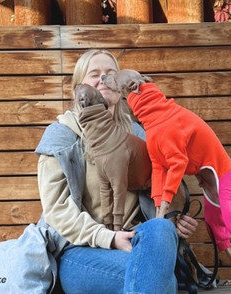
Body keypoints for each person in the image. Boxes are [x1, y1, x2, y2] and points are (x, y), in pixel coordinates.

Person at [34, 49, 199, 294]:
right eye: (94, 74)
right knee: (162, 280)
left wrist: (175, 219)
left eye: (111, 74)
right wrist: (109, 238)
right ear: (78, 87)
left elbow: (162, 188)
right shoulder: (62, 135)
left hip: (136, 240)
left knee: (161, 231)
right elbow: (56, 210)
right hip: (80, 251)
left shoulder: (140, 134)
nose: (103, 79)